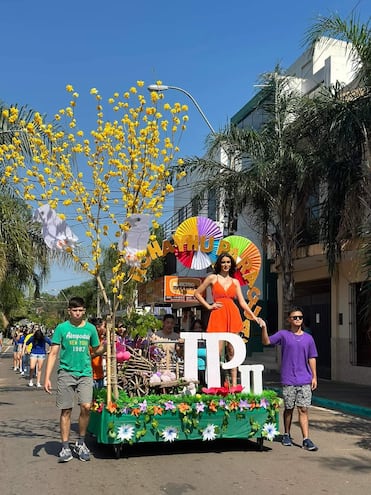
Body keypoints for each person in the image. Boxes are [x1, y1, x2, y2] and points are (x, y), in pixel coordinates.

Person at [44, 296, 105, 463]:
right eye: (75, 310)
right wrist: (47, 377)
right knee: (66, 410)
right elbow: (54, 353)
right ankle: (65, 447)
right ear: (69, 311)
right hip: (66, 373)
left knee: (86, 406)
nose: (78, 313)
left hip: (85, 373)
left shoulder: (91, 329)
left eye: (80, 310)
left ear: (84, 311)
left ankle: (80, 442)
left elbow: (96, 349)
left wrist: (105, 345)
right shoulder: (62, 328)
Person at [194, 252, 263, 386]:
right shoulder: (212, 278)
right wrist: (208, 306)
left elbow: (242, 302)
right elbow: (197, 293)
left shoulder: (235, 282)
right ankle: (213, 383)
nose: (226, 265)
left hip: (232, 314)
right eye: (223, 262)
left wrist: (254, 317)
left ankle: (233, 384)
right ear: (219, 264)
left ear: (231, 265)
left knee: (232, 350)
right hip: (218, 314)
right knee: (217, 351)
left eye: (228, 262)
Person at [260, 306, 319, 451]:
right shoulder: (283, 335)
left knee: (303, 409)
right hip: (289, 379)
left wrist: (314, 376)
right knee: (289, 408)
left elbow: (312, 357)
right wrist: (264, 327)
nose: (298, 319)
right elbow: (266, 341)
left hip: (304, 379)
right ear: (289, 320)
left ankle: (306, 439)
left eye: (300, 317)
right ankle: (286, 433)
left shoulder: (308, 338)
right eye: (295, 317)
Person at [89, 317, 106, 389]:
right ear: (98, 327)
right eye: (104, 326)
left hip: (100, 374)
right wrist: (100, 351)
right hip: (92, 375)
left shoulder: (102, 339)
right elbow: (87, 356)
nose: (105, 329)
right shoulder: (90, 339)